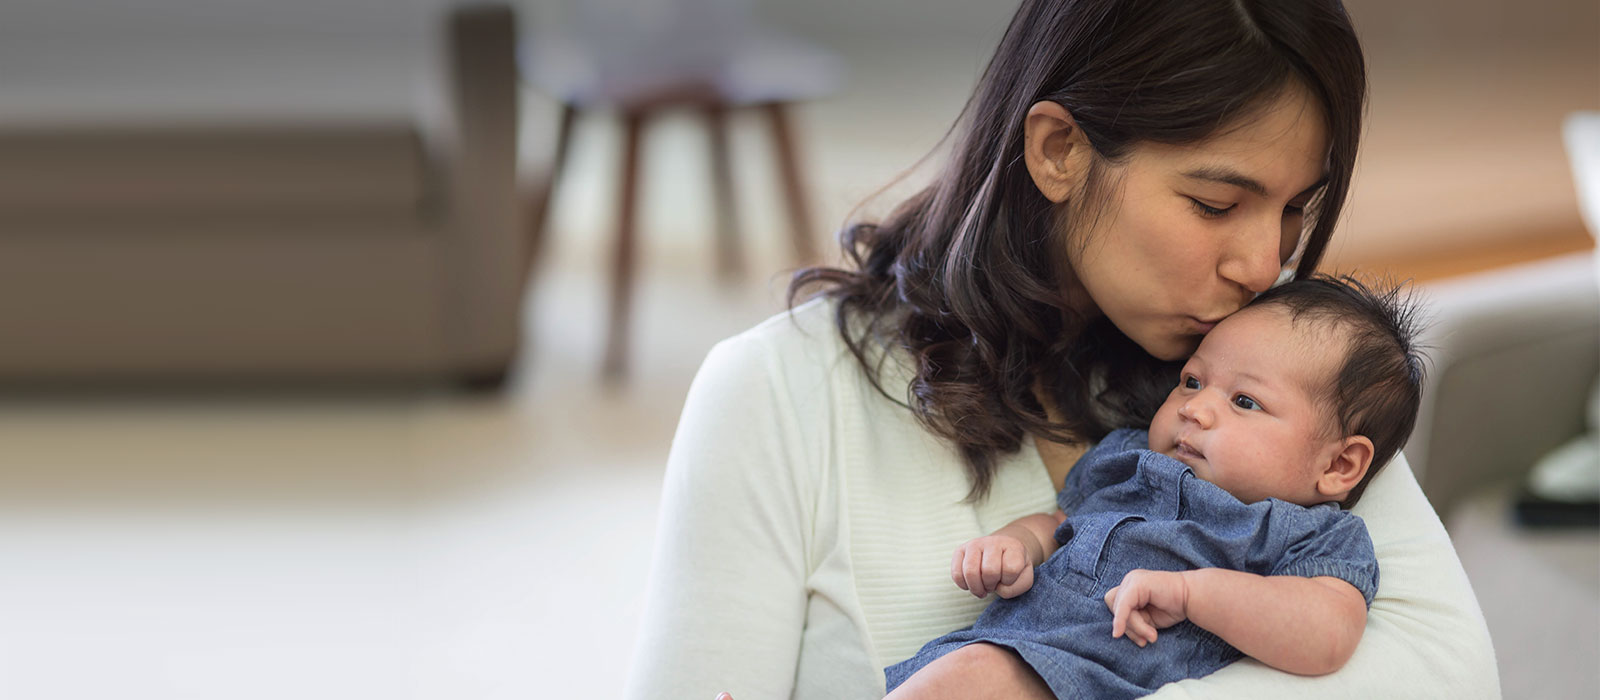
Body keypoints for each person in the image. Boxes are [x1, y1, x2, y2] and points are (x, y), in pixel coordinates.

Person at [624, 1, 1498, 698]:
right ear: (1058, 151)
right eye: (1215, 204)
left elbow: (1447, 678)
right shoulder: (774, 394)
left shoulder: (1287, 382)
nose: (1263, 264)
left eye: (1294, 211)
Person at [883, 276, 1423, 699]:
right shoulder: (1127, 454)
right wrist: (1015, 545)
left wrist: (1194, 594)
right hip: (1000, 645)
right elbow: (1059, 524)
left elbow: (1327, 634)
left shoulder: (1310, 533)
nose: (1195, 407)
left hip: (1098, 676)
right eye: (1192, 380)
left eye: (1244, 402)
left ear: (1340, 465)